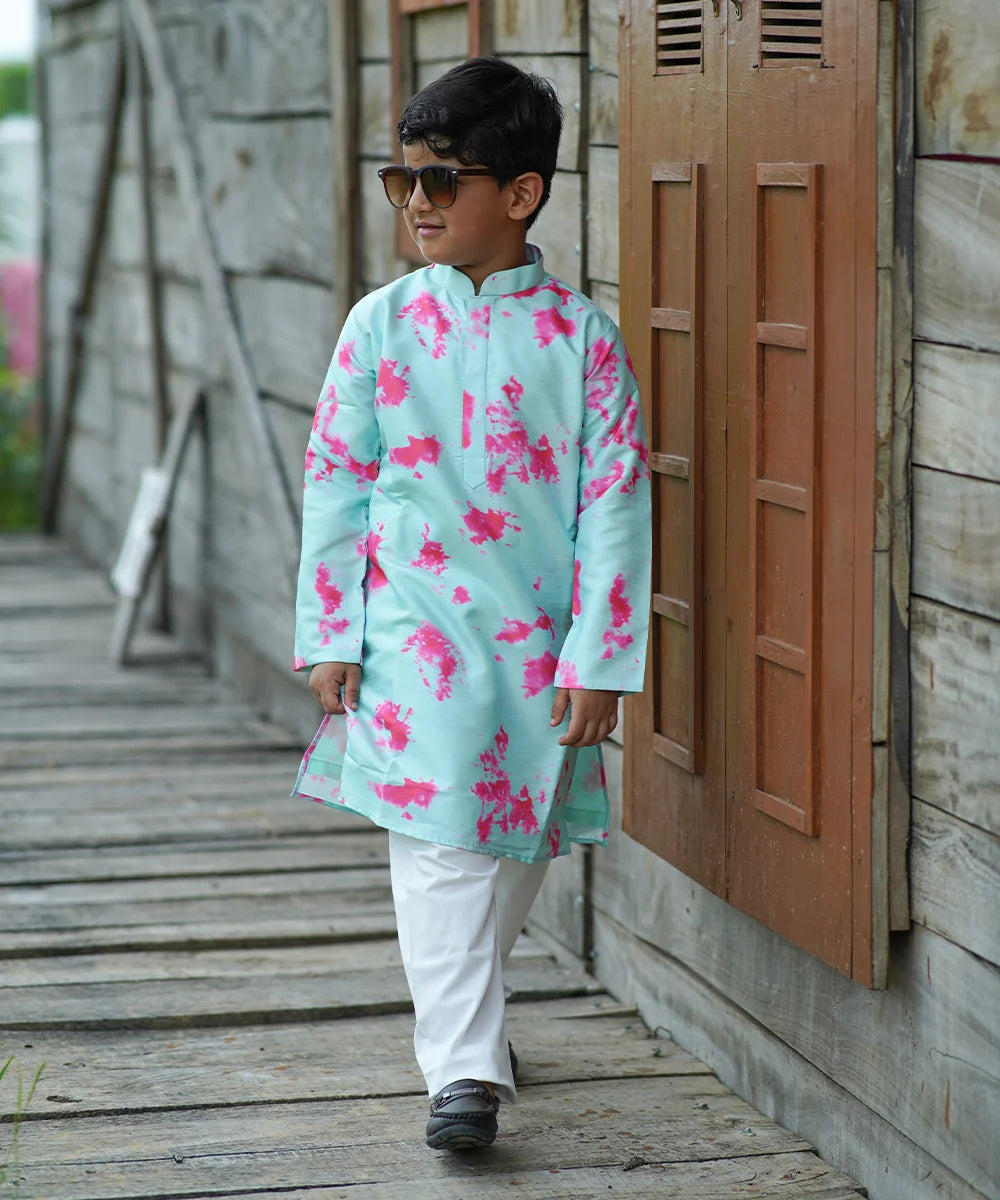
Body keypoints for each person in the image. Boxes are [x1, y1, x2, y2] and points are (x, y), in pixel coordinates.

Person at [291, 56, 651, 1151]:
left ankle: (470, 1022)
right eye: (403, 180)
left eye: (442, 180)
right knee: (440, 846)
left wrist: (600, 660)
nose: (417, 201)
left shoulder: (582, 341)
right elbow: (336, 479)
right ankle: (462, 1074)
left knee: (519, 837)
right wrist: (332, 632)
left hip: (541, 646)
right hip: (413, 636)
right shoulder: (380, 325)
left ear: (522, 193)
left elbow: (615, 504)